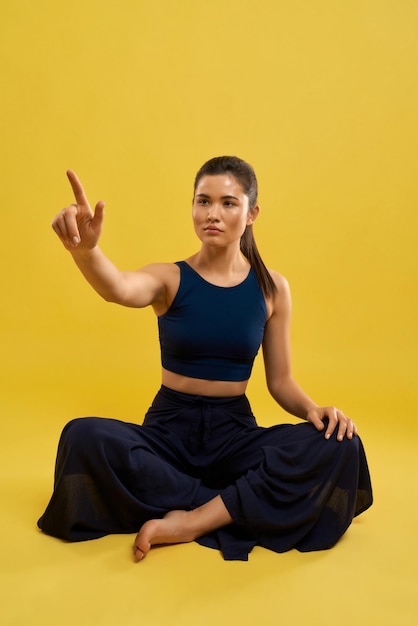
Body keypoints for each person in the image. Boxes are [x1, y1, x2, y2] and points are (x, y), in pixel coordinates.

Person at [38, 156, 372, 562]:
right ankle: (233, 506)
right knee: (83, 436)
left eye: (229, 203)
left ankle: (192, 520)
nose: (213, 213)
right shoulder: (169, 278)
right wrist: (86, 252)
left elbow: (280, 380)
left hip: (234, 435)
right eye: (203, 201)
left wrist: (314, 410)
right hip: (167, 434)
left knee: (341, 444)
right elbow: (119, 288)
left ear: (252, 213)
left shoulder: (272, 288)